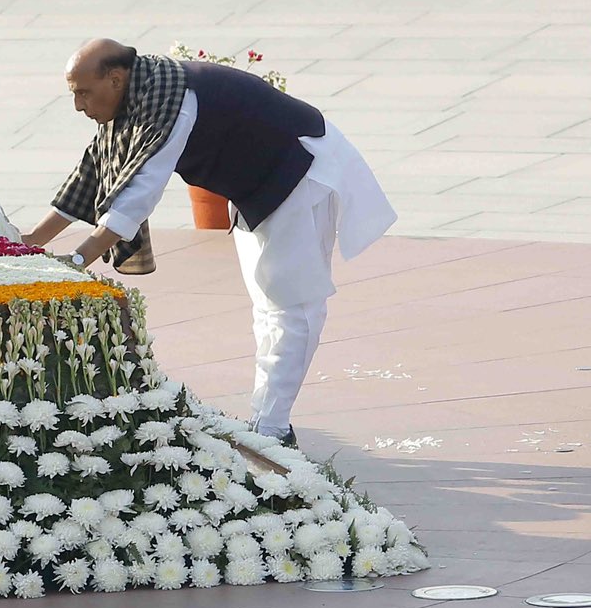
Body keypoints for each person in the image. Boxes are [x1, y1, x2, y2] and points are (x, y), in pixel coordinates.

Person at [22, 39, 396, 444]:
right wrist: (29, 243)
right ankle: (267, 420)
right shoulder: (137, 93)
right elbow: (91, 172)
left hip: (300, 173)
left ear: (115, 79)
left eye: (82, 92)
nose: (78, 105)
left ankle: (271, 430)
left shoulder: (172, 102)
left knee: (294, 307)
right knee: (269, 308)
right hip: (257, 186)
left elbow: (139, 193)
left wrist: (77, 261)